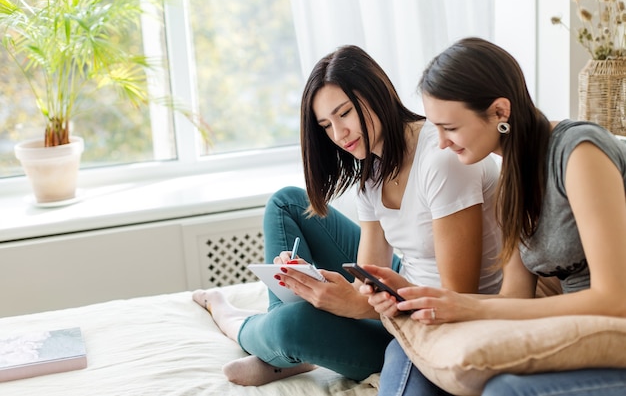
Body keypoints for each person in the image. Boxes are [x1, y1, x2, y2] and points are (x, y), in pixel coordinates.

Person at [192, 44, 502, 387]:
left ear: (376, 92)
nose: (339, 135)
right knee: (287, 203)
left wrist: (354, 305)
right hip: (401, 288)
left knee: (292, 325)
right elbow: (366, 277)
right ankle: (282, 348)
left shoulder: (441, 159)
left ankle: (237, 322)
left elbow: (456, 299)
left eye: (345, 113)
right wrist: (318, 285)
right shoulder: (371, 170)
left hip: (430, 321)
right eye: (326, 125)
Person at [362, 37, 626, 395]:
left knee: (504, 390)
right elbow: (516, 296)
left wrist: (471, 308)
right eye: (435, 127)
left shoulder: (578, 153)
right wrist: (422, 298)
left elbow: (614, 299)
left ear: (500, 111)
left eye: (450, 128)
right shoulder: (510, 184)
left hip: (610, 330)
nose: (440, 143)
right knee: (437, 361)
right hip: (586, 332)